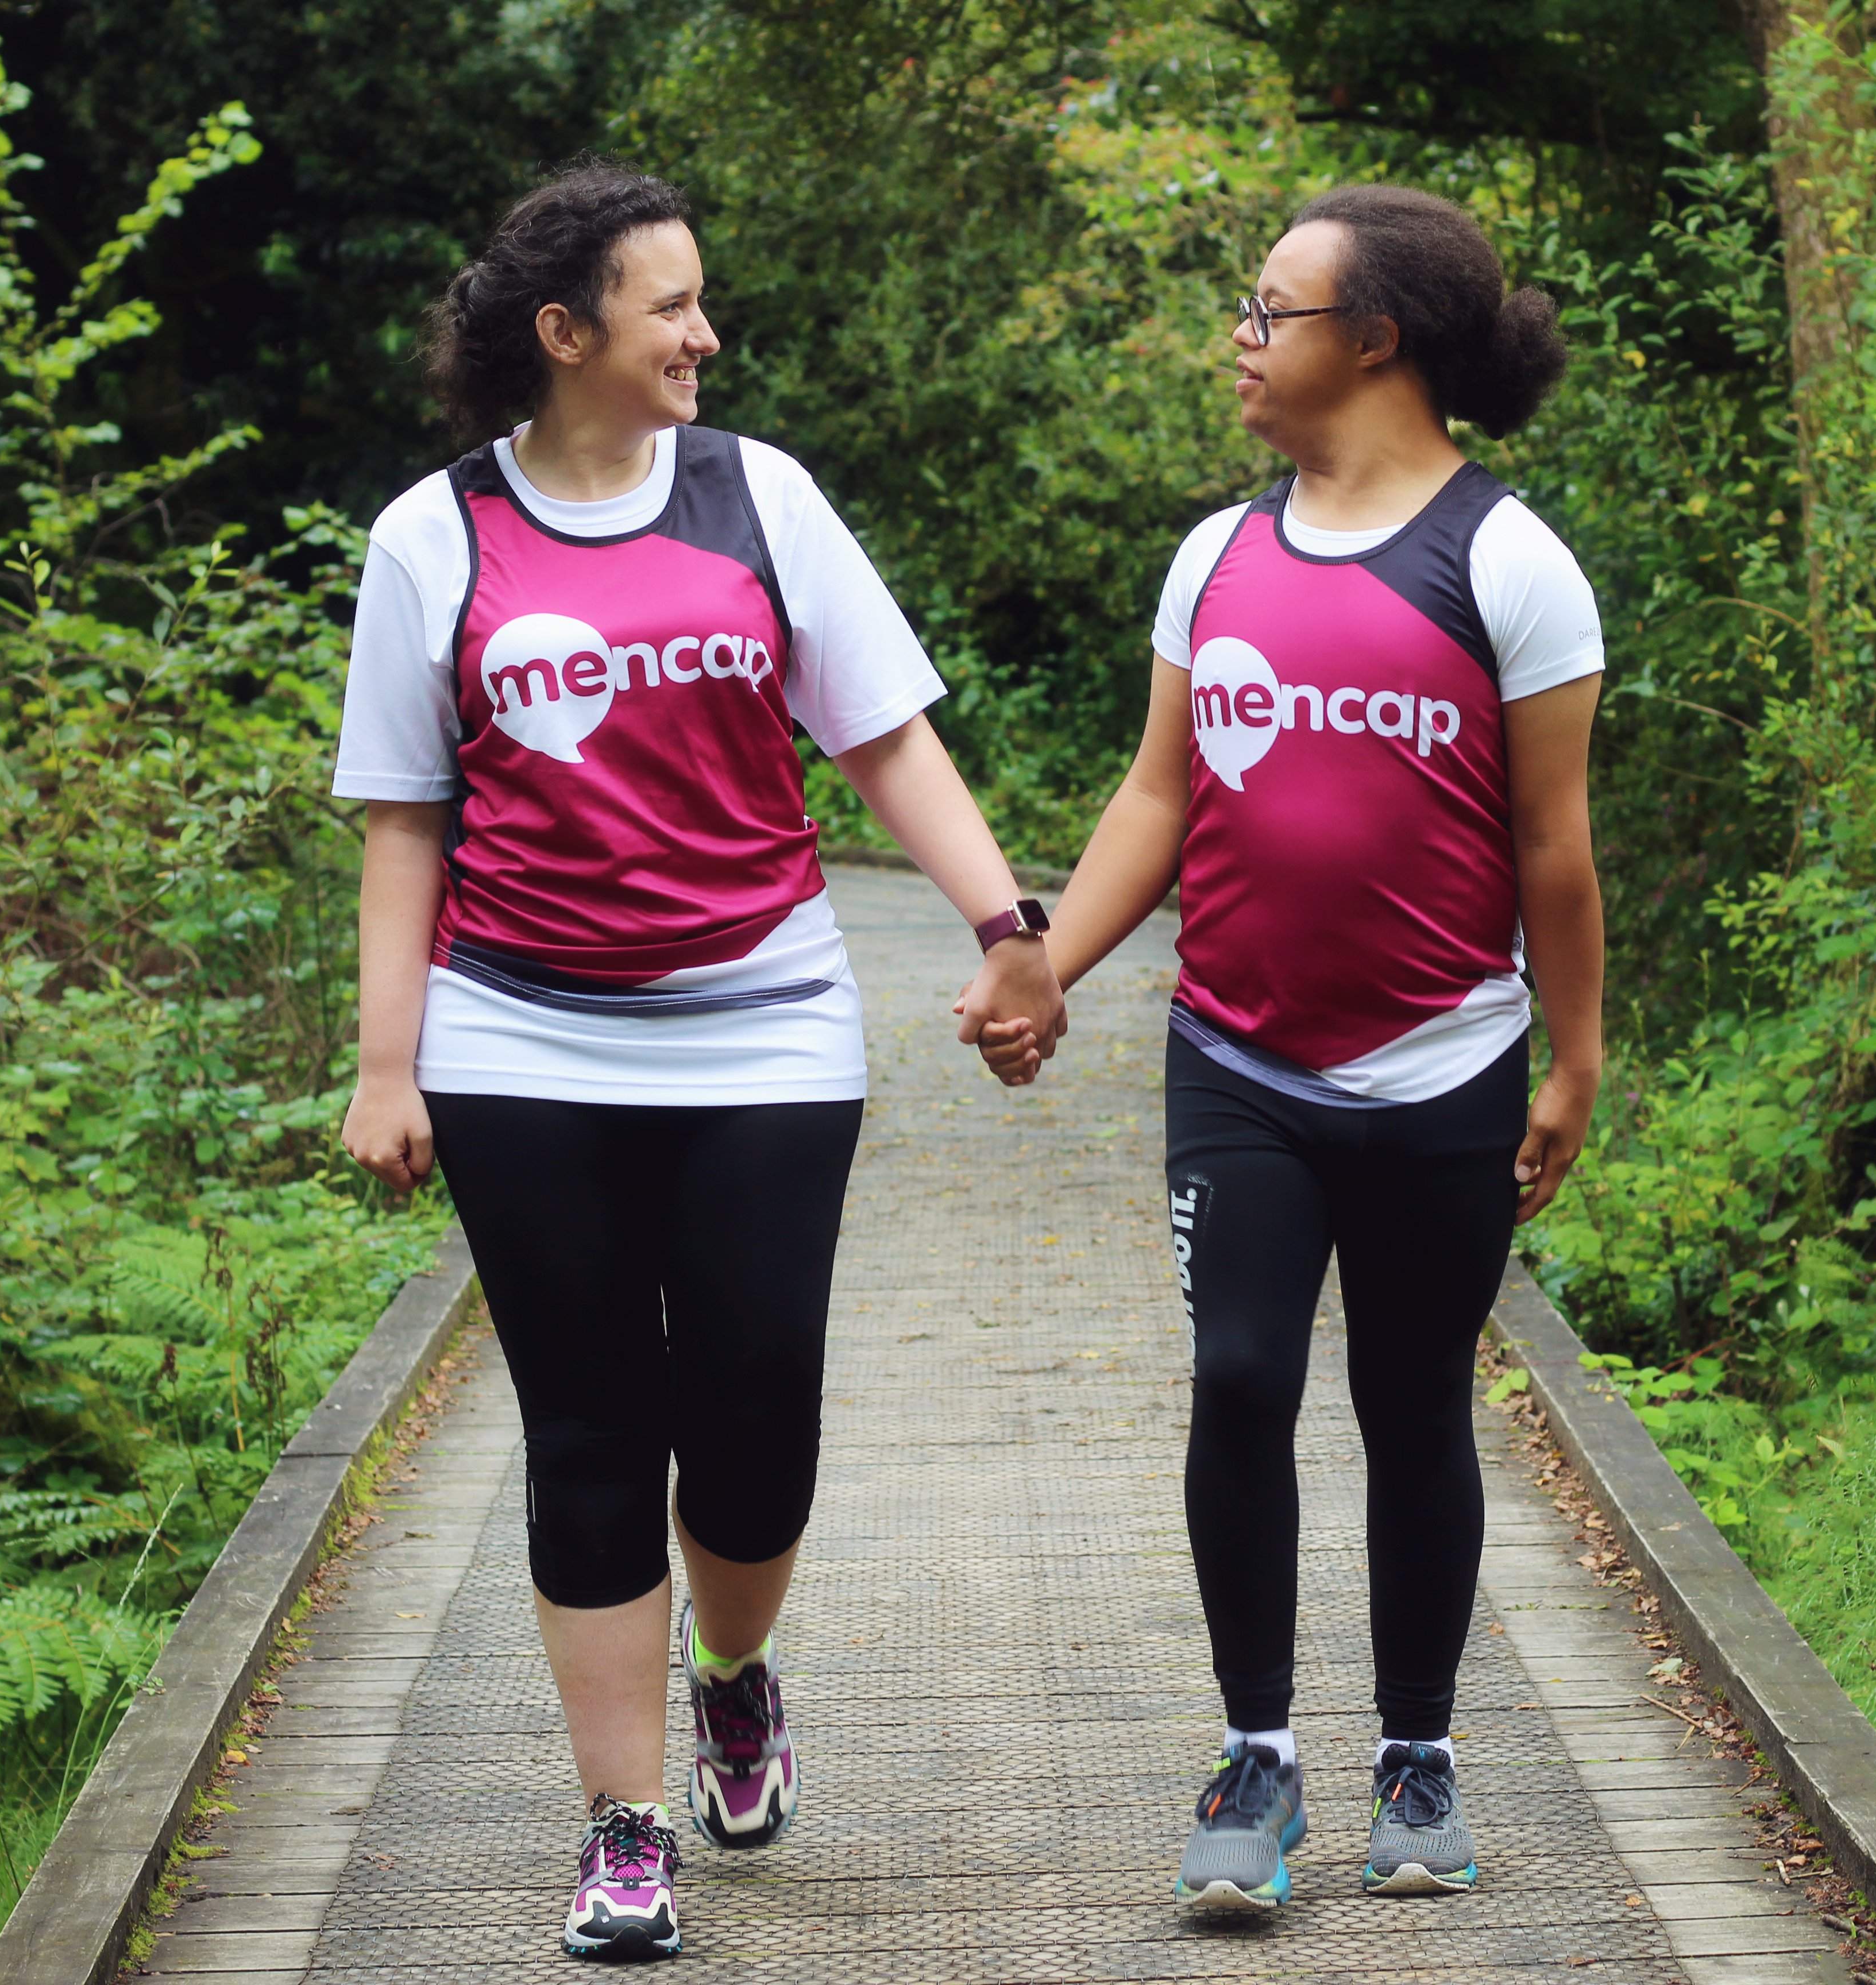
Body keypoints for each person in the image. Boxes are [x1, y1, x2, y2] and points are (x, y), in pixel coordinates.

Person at [335, 159, 1064, 1962]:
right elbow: (406, 825)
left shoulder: (760, 497)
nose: (703, 334)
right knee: (590, 1428)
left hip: (764, 1023)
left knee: (754, 1419)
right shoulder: (435, 536)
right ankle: (625, 1821)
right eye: (671, 306)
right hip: (519, 1035)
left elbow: (882, 739)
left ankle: (735, 1670)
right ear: (568, 333)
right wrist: (388, 1060)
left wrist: (1004, 926)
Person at [979, 184, 1604, 1910]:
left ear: (1378, 339)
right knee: (1243, 1380)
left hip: (1448, 1070)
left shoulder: (1507, 563)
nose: (1242, 342)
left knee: (1415, 1408)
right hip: (1240, 1063)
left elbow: (1553, 846)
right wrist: (1048, 961)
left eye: (1272, 313)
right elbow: (1160, 793)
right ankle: (1258, 1760)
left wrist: (1574, 1058)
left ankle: (1423, 1759)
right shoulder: (1219, 556)